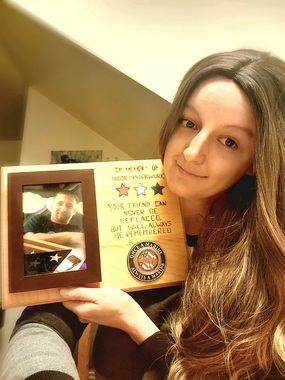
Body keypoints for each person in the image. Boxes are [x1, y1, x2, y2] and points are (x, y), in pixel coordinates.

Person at [2, 48, 285, 379]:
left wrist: (134, 322)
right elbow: (45, 323)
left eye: (229, 141)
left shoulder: (266, 260)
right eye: (189, 123)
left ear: (256, 160)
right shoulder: (117, 206)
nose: (192, 153)